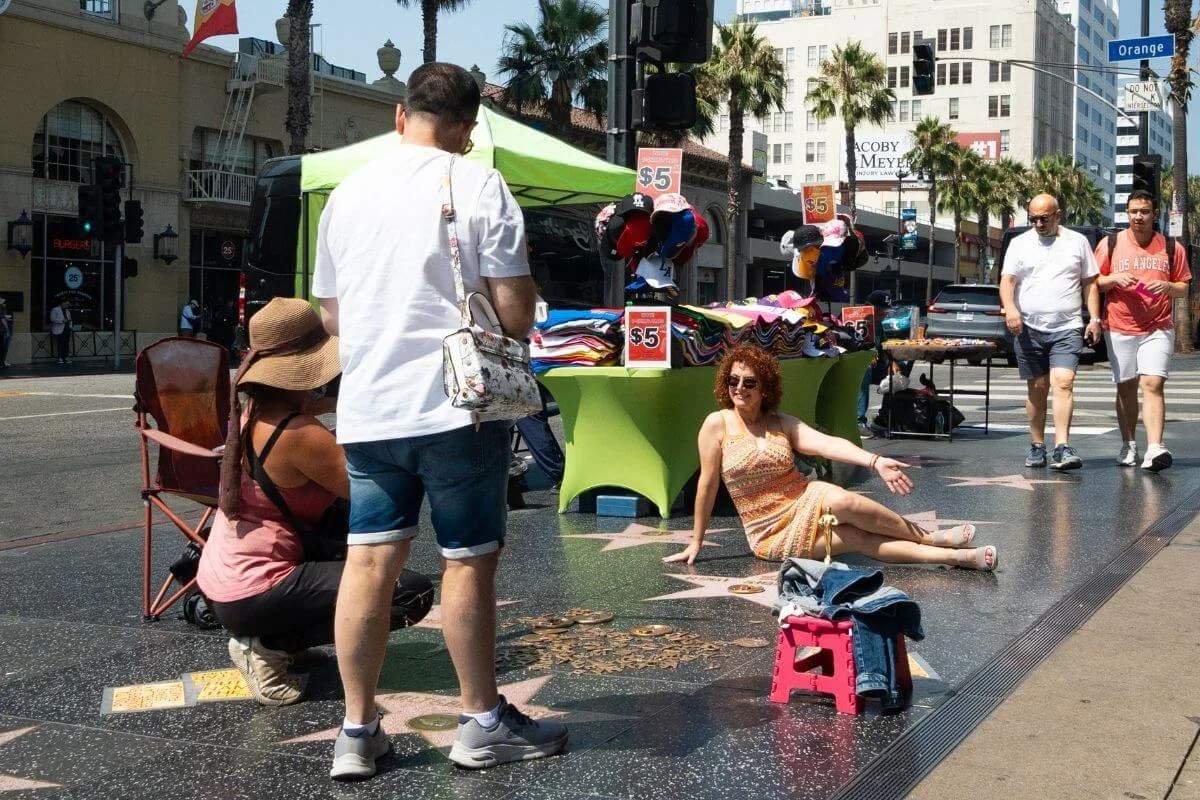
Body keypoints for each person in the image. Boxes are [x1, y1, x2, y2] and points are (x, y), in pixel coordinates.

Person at [312, 62, 567, 780]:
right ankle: (481, 721)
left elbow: (332, 315)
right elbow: (515, 311)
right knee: (467, 561)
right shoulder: (476, 181)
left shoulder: (347, 194)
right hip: (459, 408)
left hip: (368, 410)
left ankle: (358, 731)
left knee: (368, 561)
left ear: (400, 116)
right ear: (467, 127)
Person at [196, 298, 434, 706]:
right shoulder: (297, 433)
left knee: (349, 537)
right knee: (407, 593)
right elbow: (372, 493)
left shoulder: (256, 411)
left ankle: (278, 638)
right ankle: (270, 644)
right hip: (255, 592)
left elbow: (312, 408)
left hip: (225, 584)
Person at [665, 344, 998, 570]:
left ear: (764, 387)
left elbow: (826, 444)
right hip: (768, 531)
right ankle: (957, 558)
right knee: (858, 539)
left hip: (803, 498)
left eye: (749, 381)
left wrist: (875, 461)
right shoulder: (716, 425)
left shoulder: (781, 422)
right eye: (733, 380)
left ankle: (932, 537)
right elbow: (707, 486)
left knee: (842, 501)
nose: (739, 387)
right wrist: (697, 541)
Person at [999, 193, 1101, 470]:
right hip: (1028, 327)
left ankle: (1062, 446)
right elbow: (1007, 281)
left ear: (1058, 214)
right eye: (1033, 218)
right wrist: (1011, 309)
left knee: (1064, 382)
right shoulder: (1020, 244)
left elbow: (1090, 283)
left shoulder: (1077, 242)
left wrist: (1095, 319)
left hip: (1067, 326)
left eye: (1044, 218)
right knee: (1038, 388)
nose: (1039, 223)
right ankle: (1037, 445)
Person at [1093, 189, 1192, 471]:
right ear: (1127, 214)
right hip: (1120, 325)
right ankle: (1129, 444)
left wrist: (1169, 287)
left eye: (1144, 211)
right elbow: (1094, 282)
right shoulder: (1110, 244)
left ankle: (1155, 447)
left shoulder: (1172, 248)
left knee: (1153, 383)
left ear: (1154, 215)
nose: (1139, 216)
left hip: (1157, 326)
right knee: (1126, 387)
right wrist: (1113, 279)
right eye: (1134, 211)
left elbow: (1184, 287)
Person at [855, 290, 893, 439]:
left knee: (902, 368)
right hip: (857, 364)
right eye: (882, 310)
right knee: (866, 369)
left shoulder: (879, 325)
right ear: (870, 307)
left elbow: (883, 346)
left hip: (877, 363)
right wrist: (866, 355)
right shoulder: (856, 318)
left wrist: (892, 362)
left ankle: (883, 417)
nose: (885, 314)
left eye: (886, 311)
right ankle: (859, 421)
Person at [49, 299, 72, 365]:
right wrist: (62, 321)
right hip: (59, 329)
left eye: (68, 304)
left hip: (67, 329)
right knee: (60, 344)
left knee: (66, 344)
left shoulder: (67, 311)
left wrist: (70, 326)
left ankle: (66, 357)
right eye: (67, 304)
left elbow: (70, 319)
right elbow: (52, 319)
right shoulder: (55, 309)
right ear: (62, 303)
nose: (68, 305)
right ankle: (60, 358)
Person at [0, 297, 11, 368]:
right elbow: (3, 320)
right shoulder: (1, 308)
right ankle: (1, 363)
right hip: (1, 330)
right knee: (2, 347)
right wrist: (7, 330)